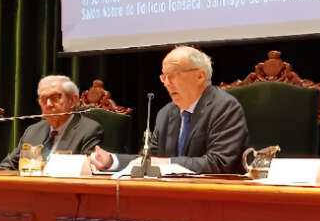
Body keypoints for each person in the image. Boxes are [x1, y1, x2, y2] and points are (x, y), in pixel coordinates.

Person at [90, 45, 248, 174]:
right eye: (163, 77)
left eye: (172, 75)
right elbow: (148, 159)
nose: (166, 83)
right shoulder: (166, 113)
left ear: (200, 76)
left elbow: (219, 163)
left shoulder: (224, 107)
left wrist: (167, 162)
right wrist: (112, 161)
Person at [0, 75, 104, 170]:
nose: (48, 104)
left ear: (72, 100)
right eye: (43, 99)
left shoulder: (89, 130)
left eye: (55, 98)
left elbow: (87, 170)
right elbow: (8, 166)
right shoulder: (33, 130)